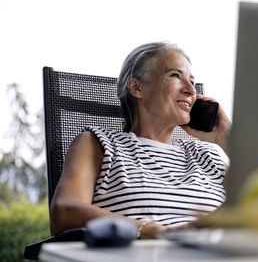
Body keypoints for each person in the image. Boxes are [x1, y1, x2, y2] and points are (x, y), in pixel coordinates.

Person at [49, 42, 231, 239]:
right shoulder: (98, 144)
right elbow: (64, 213)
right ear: (137, 87)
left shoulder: (207, 154)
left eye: (192, 82)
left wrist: (225, 138)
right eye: (175, 75)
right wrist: (153, 231)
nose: (190, 90)